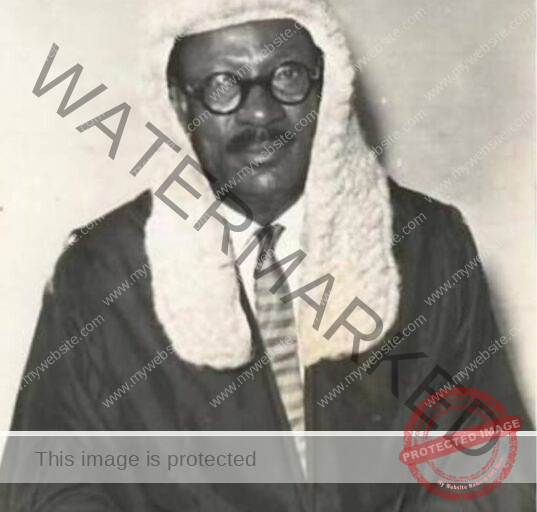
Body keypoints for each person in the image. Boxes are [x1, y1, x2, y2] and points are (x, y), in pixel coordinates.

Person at [1, 0, 533, 510]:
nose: (261, 112)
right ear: (179, 104)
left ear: (327, 85)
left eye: (288, 76)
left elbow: (495, 464)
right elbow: (46, 486)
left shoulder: (428, 244)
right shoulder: (99, 273)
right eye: (222, 85)